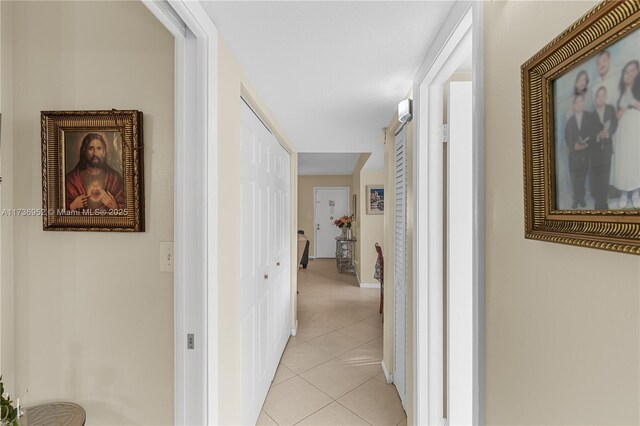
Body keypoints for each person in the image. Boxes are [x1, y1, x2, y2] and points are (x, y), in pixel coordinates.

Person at [65, 133, 124, 211]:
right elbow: (59, 210)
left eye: (99, 148)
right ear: (84, 151)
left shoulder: (115, 178)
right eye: (90, 148)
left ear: (104, 152)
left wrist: (115, 207)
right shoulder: (71, 179)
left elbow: (126, 209)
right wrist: (72, 206)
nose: (95, 153)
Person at [613, 60, 640, 208]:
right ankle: (624, 192)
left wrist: (633, 101)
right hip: (622, 128)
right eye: (627, 71)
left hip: (637, 126)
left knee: (635, 157)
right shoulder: (619, 91)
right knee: (624, 159)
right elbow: (615, 116)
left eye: (633, 71)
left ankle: (635, 192)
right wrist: (623, 104)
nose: (629, 74)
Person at [565, 93, 599, 208]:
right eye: (577, 102)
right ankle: (576, 199)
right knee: (575, 178)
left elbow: (594, 133)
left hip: (586, 153)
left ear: (584, 103)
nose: (579, 104)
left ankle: (582, 198)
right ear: (574, 105)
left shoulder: (589, 118)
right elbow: (568, 137)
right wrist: (574, 145)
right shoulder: (570, 121)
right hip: (574, 154)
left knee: (583, 176)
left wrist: (587, 144)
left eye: (581, 102)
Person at [588, 86, 618, 209]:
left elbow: (615, 123)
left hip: (606, 148)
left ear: (605, 96)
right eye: (598, 96)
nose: (600, 98)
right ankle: (598, 201)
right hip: (595, 150)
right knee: (596, 176)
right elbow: (588, 131)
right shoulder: (590, 114)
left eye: (602, 95)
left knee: (605, 176)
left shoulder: (610, 109)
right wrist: (597, 135)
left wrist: (608, 133)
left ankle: (603, 202)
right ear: (595, 98)